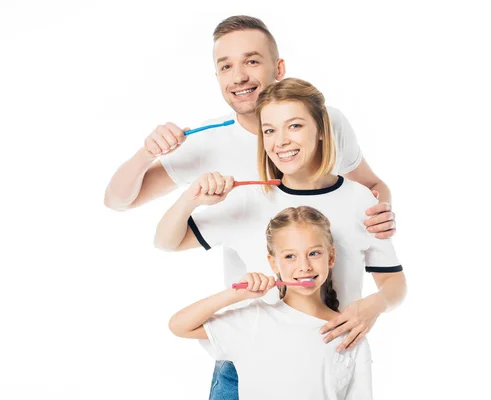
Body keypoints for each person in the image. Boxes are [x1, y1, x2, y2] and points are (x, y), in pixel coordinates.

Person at [105, 15, 397, 400]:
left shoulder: (325, 120)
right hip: (253, 343)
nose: (239, 76)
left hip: (333, 340)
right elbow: (118, 201)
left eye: (252, 61)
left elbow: (370, 186)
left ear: (278, 68)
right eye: (226, 66)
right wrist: (148, 153)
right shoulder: (213, 145)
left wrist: (383, 213)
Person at [155, 77, 407, 398]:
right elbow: (166, 241)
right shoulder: (249, 198)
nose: (281, 141)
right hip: (245, 363)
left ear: (320, 129)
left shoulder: (360, 201)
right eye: (270, 131)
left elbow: (395, 285)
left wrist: (373, 306)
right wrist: (191, 198)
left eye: (295, 126)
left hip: (331, 357)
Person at [169, 206, 373, 399]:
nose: (304, 266)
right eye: (290, 256)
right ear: (273, 263)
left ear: (330, 257)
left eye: (314, 253)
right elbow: (180, 326)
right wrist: (235, 294)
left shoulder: (351, 332)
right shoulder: (254, 319)